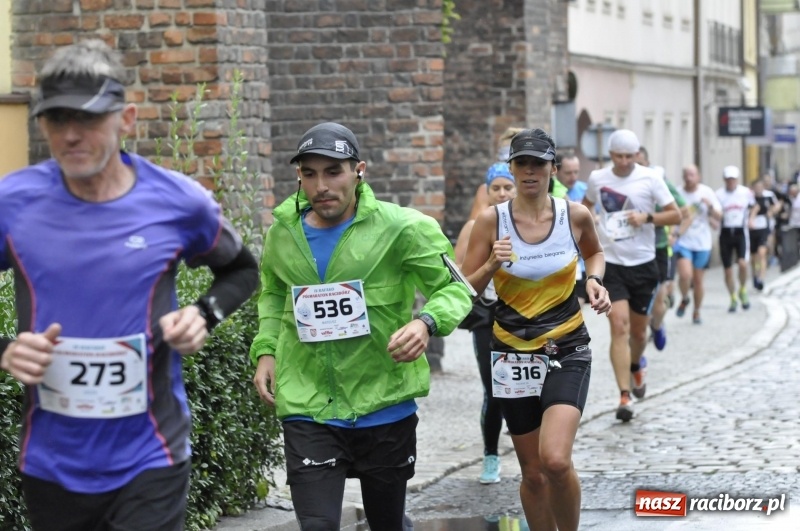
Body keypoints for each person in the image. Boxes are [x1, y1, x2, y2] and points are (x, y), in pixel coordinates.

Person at [0, 40, 259, 531]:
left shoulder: (180, 202)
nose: (71, 135)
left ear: (127, 118)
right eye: (57, 120)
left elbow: (243, 271)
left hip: (151, 456)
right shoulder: (13, 203)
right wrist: (5, 350)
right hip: (52, 463)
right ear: (41, 125)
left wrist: (203, 316)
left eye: (89, 118)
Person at [249, 122, 473, 531]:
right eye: (310, 173)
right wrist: (266, 350)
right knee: (317, 525)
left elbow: (455, 289)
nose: (321, 185)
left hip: (383, 402)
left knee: (387, 524)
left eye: (333, 171)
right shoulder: (282, 234)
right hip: (308, 404)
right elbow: (274, 296)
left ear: (358, 170)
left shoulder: (404, 228)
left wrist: (426, 323)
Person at [462, 128, 611, 531]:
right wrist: (491, 265)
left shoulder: (574, 214)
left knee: (556, 461)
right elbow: (465, 289)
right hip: (510, 352)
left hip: (566, 345)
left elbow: (595, 252)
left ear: (552, 169)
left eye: (538, 164)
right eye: (521, 163)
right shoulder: (490, 221)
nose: (530, 171)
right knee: (533, 473)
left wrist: (594, 281)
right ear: (511, 168)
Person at [582, 130, 680, 421]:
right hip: (611, 264)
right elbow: (584, 209)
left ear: (637, 154)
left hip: (644, 263)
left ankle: (636, 365)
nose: (624, 162)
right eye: (618, 156)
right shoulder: (598, 179)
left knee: (638, 332)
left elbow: (676, 214)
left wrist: (647, 218)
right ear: (610, 155)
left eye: (629, 156)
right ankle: (624, 396)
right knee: (619, 327)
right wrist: (592, 219)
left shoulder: (650, 178)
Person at [454, 162, 516, 485]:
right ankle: (491, 455)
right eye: (497, 188)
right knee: (493, 389)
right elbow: (460, 279)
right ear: (487, 192)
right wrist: (491, 262)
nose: (503, 193)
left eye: (508, 187)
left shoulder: (532, 224)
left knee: (526, 387)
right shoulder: (474, 226)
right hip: (486, 314)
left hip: (523, 314)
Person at [635, 146, 686, 351]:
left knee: (659, 297)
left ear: (647, 163)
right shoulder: (618, 183)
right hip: (630, 250)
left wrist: (674, 232)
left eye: (639, 163)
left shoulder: (657, 179)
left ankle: (657, 325)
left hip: (658, 246)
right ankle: (636, 351)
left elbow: (682, 209)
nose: (635, 167)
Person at [673, 164, 722, 324]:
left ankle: (697, 311)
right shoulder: (678, 194)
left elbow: (719, 215)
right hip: (684, 241)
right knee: (685, 275)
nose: (689, 178)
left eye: (692, 175)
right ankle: (685, 297)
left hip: (702, 242)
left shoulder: (706, 192)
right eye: (686, 175)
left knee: (699, 280)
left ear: (698, 176)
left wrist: (709, 205)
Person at [716, 165, 755, 312]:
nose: (730, 182)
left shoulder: (745, 192)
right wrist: (714, 219)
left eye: (733, 179)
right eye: (728, 179)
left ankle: (743, 289)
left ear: (737, 179)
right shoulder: (719, 194)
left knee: (743, 264)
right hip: (725, 232)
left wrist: (751, 219)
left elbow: (754, 206)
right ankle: (732, 297)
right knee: (728, 270)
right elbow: (714, 212)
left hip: (740, 231)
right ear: (724, 180)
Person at [556, 153, 588, 304]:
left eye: (576, 172)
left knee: (578, 303)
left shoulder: (585, 190)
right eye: (568, 173)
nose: (573, 176)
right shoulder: (551, 191)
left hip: (581, 260)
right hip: (559, 259)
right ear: (557, 171)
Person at [748, 179, 779, 291]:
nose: (758, 189)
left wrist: (772, 212)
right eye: (756, 187)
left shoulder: (768, 196)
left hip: (763, 228)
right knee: (754, 257)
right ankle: (755, 276)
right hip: (751, 229)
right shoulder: (749, 198)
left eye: (760, 187)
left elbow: (777, 205)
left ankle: (761, 279)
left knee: (762, 253)